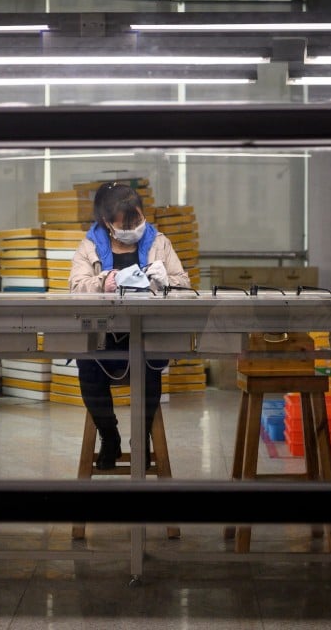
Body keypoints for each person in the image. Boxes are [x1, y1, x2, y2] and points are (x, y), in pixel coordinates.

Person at [69, 182, 190, 469]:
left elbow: (185, 286)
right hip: (104, 337)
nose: (134, 227)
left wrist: (167, 283)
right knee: (88, 369)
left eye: (137, 219)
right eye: (126, 223)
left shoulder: (160, 243)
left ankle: (142, 439)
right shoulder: (89, 247)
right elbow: (75, 287)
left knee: (150, 371)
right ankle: (109, 435)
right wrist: (103, 282)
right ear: (106, 222)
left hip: (147, 335)